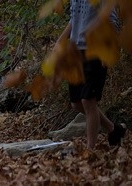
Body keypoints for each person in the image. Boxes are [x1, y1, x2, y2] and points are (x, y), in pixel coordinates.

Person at [63, 0, 125, 148]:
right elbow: (74, 18)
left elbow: (112, 19)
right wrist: (60, 41)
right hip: (76, 51)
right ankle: (113, 129)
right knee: (77, 103)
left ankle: (90, 151)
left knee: (88, 101)